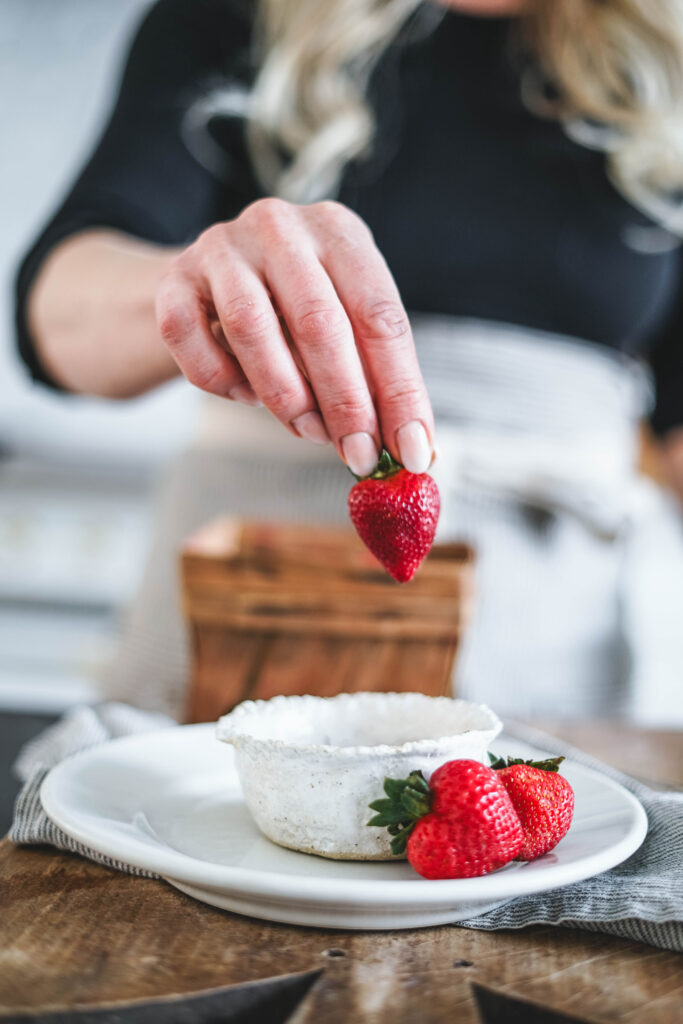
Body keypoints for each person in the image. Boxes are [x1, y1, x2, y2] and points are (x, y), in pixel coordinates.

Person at [15, 0, 683, 720]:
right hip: (252, 614)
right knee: (196, 812)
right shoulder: (237, 19)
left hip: (555, 638)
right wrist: (197, 284)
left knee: (548, 821)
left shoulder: (667, 69)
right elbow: (57, 316)